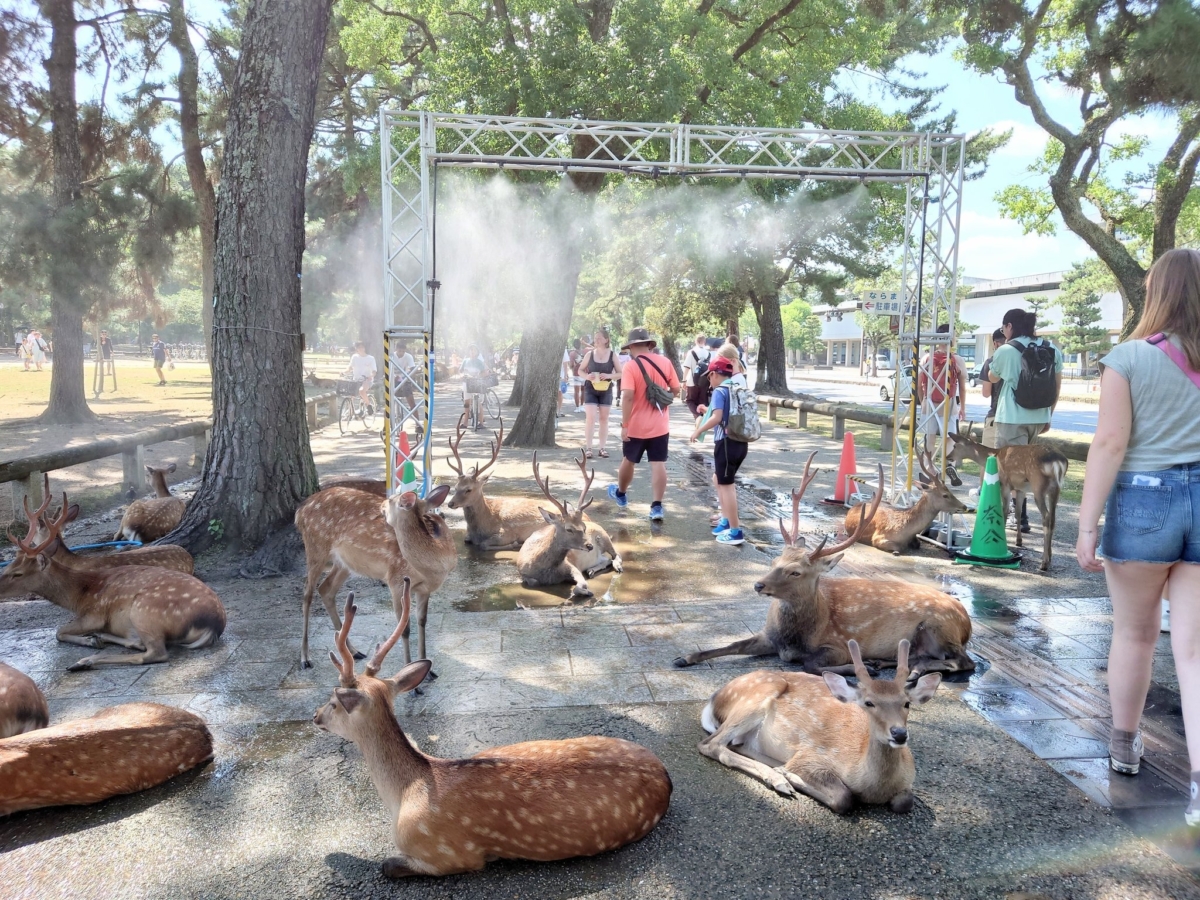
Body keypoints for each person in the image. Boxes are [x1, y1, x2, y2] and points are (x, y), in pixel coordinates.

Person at [1075, 248, 1200, 827]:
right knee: (1194, 650)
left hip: (1144, 501)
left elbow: (1109, 443)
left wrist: (1086, 524)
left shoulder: (1126, 358)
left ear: (1157, 292)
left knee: (1134, 633)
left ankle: (1124, 747)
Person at [988, 308, 1064, 530]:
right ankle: (1020, 516)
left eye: (1004, 328)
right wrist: (1050, 413)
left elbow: (992, 377)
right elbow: (1057, 385)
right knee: (1029, 468)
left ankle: (1016, 517)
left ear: (1009, 327)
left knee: (1010, 471)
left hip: (1011, 418)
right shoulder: (1051, 348)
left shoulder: (1006, 350)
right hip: (1039, 417)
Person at [607, 327, 680, 521]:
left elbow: (628, 396)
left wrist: (625, 424)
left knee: (628, 460)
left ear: (631, 346)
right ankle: (656, 507)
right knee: (658, 463)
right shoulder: (665, 362)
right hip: (660, 424)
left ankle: (621, 493)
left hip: (635, 426)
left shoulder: (631, 366)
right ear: (649, 344)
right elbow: (676, 388)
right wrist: (661, 397)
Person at [690, 356, 747, 546]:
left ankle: (735, 531)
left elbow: (717, 417)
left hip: (725, 443)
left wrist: (699, 429)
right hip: (741, 442)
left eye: (709, 377)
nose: (709, 381)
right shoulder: (737, 387)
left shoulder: (720, 391)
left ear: (714, 374)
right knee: (718, 479)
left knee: (726, 484)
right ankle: (726, 520)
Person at [916, 323, 967, 485]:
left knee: (929, 439)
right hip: (949, 403)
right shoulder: (957, 359)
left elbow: (918, 384)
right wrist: (962, 408)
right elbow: (962, 387)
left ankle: (929, 469)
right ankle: (949, 465)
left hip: (929, 403)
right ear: (950, 338)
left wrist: (923, 398)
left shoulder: (926, 358)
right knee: (950, 438)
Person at [579, 326, 622, 459]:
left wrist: (608, 376)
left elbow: (620, 373)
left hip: (606, 390)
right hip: (591, 389)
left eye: (599, 338)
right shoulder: (589, 354)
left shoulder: (612, 355)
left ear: (606, 340)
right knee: (590, 417)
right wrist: (587, 377)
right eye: (595, 337)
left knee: (604, 419)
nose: (596, 340)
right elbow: (580, 370)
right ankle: (589, 448)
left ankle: (602, 448)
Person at [978, 327, 1006, 448]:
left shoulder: (990, 362)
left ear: (995, 343)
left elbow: (986, 392)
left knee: (988, 461)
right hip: (1016, 418)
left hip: (996, 415)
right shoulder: (1019, 359)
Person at [682, 334, 711, 421]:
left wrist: (684, 381)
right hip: (705, 382)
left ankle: (698, 417)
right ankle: (701, 419)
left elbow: (687, 367)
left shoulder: (692, 352)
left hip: (692, 381)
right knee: (702, 402)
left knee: (690, 400)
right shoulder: (708, 353)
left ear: (696, 341)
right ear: (704, 341)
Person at [344, 341, 377, 409]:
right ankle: (349, 411)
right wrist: (344, 372)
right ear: (356, 349)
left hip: (367, 380)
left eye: (362, 347)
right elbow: (350, 367)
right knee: (350, 394)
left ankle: (368, 405)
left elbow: (374, 371)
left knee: (361, 391)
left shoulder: (371, 358)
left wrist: (371, 376)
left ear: (364, 348)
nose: (361, 349)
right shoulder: (354, 357)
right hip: (356, 380)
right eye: (359, 347)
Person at [460, 343, 488, 421]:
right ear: (469, 351)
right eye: (471, 350)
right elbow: (461, 371)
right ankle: (465, 423)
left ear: (477, 352)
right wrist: (462, 375)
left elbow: (485, 372)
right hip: (467, 383)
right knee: (466, 403)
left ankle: (481, 422)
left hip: (477, 383)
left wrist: (479, 376)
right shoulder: (465, 361)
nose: (472, 352)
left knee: (478, 403)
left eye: (474, 350)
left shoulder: (479, 362)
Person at [569, 338, 586, 412]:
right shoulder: (585, 351)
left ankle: (577, 407)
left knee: (576, 392)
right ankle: (582, 406)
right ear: (580, 344)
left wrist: (574, 365)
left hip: (576, 373)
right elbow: (594, 348)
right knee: (583, 391)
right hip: (585, 373)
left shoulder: (572, 354)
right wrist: (585, 343)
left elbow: (571, 365)